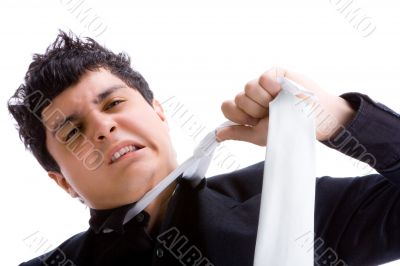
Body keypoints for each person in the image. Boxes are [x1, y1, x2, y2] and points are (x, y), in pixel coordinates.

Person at [8, 31, 400, 266]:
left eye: (113, 104)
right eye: (73, 132)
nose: (104, 127)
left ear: (158, 112)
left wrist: (342, 120)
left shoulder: (290, 203)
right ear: (63, 183)